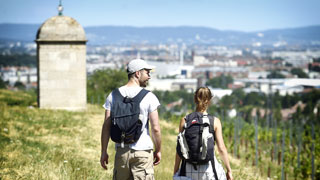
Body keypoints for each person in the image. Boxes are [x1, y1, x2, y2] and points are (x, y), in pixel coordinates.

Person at [100, 59, 161, 180]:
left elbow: (106, 126)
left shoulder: (113, 95)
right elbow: (155, 128)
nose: (149, 76)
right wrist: (158, 150)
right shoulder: (149, 96)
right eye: (147, 72)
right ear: (137, 73)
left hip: (122, 151)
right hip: (143, 151)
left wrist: (104, 151)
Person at [173, 87, 233, 180]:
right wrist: (229, 170)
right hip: (208, 170)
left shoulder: (184, 120)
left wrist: (176, 171)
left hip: (188, 169)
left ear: (194, 99)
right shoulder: (214, 121)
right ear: (209, 101)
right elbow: (221, 149)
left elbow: (179, 149)